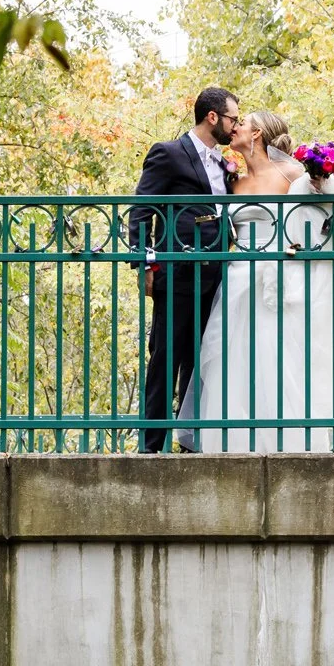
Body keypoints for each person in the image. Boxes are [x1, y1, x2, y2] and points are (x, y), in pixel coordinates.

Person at [180, 110, 334, 451]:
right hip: (237, 277)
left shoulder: (293, 174)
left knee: (281, 357)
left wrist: (320, 183)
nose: (234, 127)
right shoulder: (232, 180)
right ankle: (234, 445)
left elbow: (324, 219)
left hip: (280, 278)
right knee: (234, 359)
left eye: (242, 123)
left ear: (257, 134)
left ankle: (292, 443)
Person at [131, 86, 241, 452]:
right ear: (213, 117)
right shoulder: (169, 153)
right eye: (232, 119)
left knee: (201, 360)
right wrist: (145, 262)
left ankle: (192, 441)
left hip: (215, 277)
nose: (234, 125)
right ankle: (151, 447)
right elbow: (142, 209)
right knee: (166, 358)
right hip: (176, 274)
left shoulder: (224, 164)